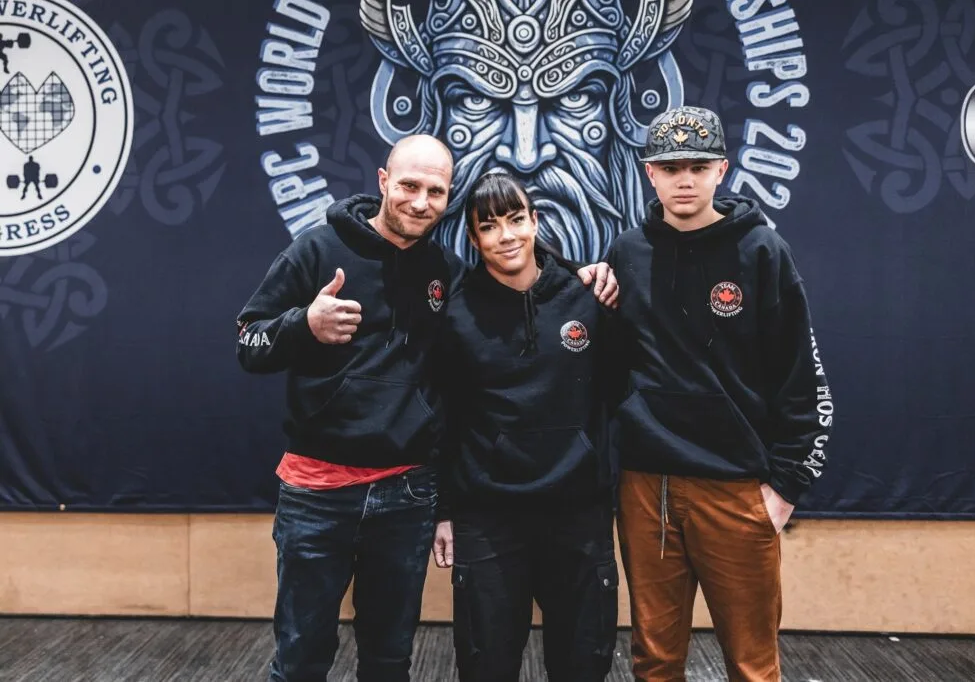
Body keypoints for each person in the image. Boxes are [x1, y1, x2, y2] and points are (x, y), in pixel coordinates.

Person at [235, 135, 618, 682]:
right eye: (409, 186)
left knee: (390, 659)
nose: (420, 202)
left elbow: (514, 308)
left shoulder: (446, 272)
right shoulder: (317, 250)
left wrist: (582, 275)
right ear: (383, 181)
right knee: (300, 656)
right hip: (319, 492)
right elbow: (248, 342)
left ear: (448, 197)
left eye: (435, 191)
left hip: (405, 493)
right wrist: (304, 325)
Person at [605, 106, 834, 681]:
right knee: (655, 662)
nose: (684, 179)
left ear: (721, 170)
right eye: (670, 167)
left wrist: (785, 489)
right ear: (649, 173)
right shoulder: (627, 252)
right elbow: (607, 363)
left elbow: (800, 377)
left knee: (753, 665)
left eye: (698, 166)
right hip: (647, 486)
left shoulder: (761, 251)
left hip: (735, 489)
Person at [430, 172, 620, 682]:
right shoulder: (457, 314)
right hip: (489, 516)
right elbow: (443, 419)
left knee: (583, 665)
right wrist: (444, 511)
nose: (506, 235)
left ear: (535, 221)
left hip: (578, 512)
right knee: (486, 665)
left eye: (516, 220)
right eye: (489, 226)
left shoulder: (588, 297)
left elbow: (618, 395)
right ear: (474, 240)